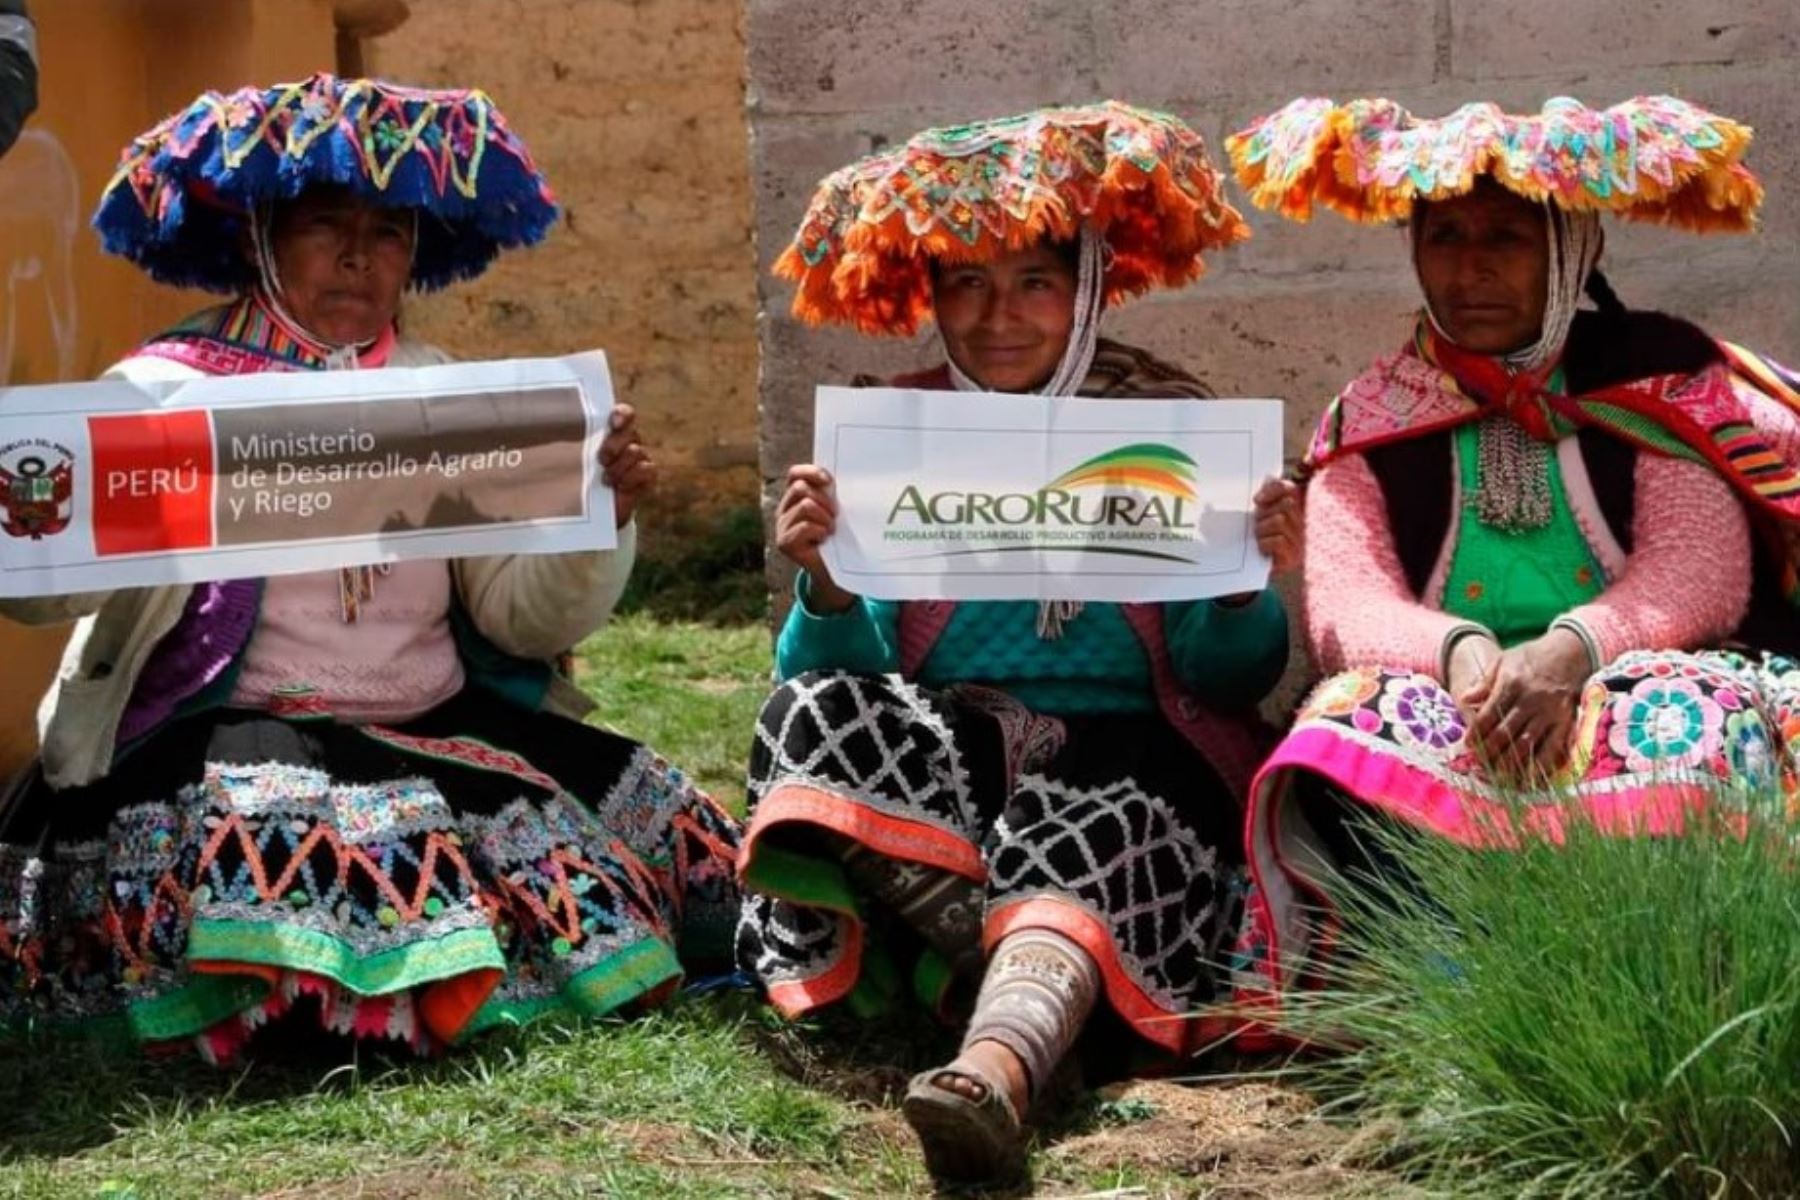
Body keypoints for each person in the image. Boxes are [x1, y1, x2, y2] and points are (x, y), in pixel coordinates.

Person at [0, 75, 740, 1063]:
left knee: (643, 814)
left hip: (423, 722)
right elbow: (40, 591)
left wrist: (601, 516)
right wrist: (70, 505)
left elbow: (522, 622)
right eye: (324, 224)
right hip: (221, 730)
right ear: (261, 233)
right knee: (274, 828)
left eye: (389, 231)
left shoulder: (446, 398)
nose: (359, 255)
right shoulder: (157, 392)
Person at [735, 101, 1302, 1184]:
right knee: (802, 713)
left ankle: (996, 1066)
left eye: (1034, 281)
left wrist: (1243, 586)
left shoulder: (1172, 430)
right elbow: (831, 685)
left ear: (1083, 289)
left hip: (1134, 753)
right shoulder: (891, 437)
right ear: (934, 299)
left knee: (1085, 812)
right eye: (967, 283)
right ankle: (1027, 960)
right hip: (954, 763)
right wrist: (826, 579)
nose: (1000, 315)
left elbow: (1227, 681)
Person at [1225, 95, 1800, 1006]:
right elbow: (1344, 606)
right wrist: (1465, 656)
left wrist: (1569, 655)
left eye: (1507, 237)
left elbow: (1701, 573)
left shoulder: (1660, 381)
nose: (1472, 269)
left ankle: (1656, 986)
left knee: (1690, 712)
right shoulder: (1369, 416)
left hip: (1629, 675)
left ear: (1579, 249)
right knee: (1344, 720)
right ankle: (1455, 994)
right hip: (1465, 691)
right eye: (1444, 235)